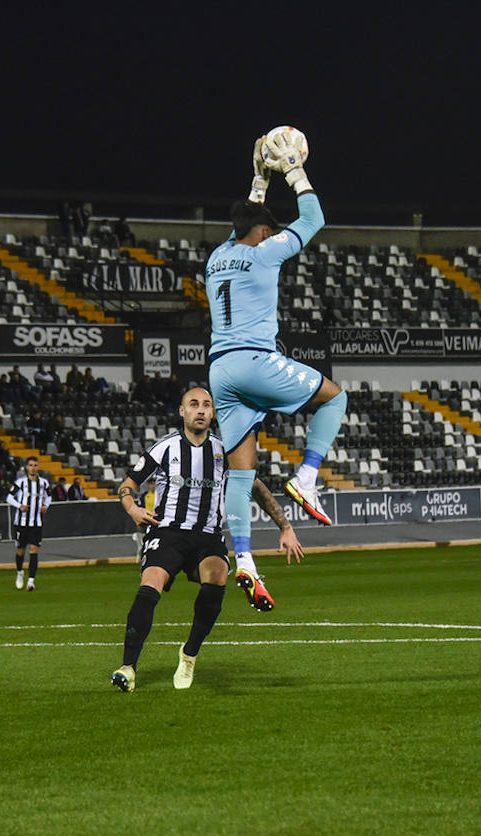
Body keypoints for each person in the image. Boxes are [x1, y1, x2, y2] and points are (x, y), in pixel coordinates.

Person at [206, 130, 344, 611]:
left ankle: (243, 560)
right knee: (335, 396)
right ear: (264, 233)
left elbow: (245, 217)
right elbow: (315, 218)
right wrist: (292, 168)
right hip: (254, 360)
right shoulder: (266, 251)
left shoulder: (218, 256)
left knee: (241, 478)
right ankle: (306, 478)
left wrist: (259, 177)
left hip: (220, 371)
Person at [110, 384, 303, 693]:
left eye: (207, 405)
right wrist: (131, 506)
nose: (201, 409)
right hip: (167, 532)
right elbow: (127, 485)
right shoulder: (164, 448)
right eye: (194, 404)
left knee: (217, 579)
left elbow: (257, 486)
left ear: (213, 413)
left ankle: (189, 654)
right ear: (182, 411)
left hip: (207, 536)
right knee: (150, 585)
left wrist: (285, 526)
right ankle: (128, 667)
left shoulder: (224, 450)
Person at [7, 456, 51, 591]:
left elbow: (48, 496)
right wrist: (20, 506)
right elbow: (9, 497)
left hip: (36, 523)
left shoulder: (44, 483)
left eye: (35, 465)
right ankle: (20, 572)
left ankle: (31, 581)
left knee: (34, 550)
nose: (33, 468)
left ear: (38, 467)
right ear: (26, 467)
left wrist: (46, 506)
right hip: (21, 523)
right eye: (31, 465)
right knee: (21, 551)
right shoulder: (20, 483)